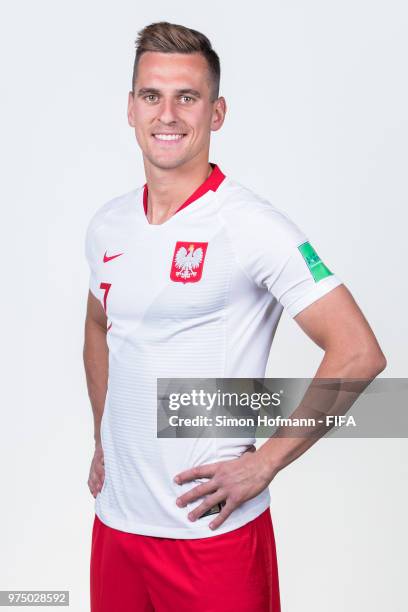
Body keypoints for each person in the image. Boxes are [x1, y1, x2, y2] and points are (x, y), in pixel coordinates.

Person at [84, 21, 386, 612]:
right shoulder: (108, 225)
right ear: (130, 108)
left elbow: (358, 352)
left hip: (210, 538)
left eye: (187, 97)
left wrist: (264, 463)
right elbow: (100, 325)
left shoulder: (249, 226)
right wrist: (103, 434)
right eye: (152, 95)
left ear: (216, 113)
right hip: (116, 528)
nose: (167, 114)